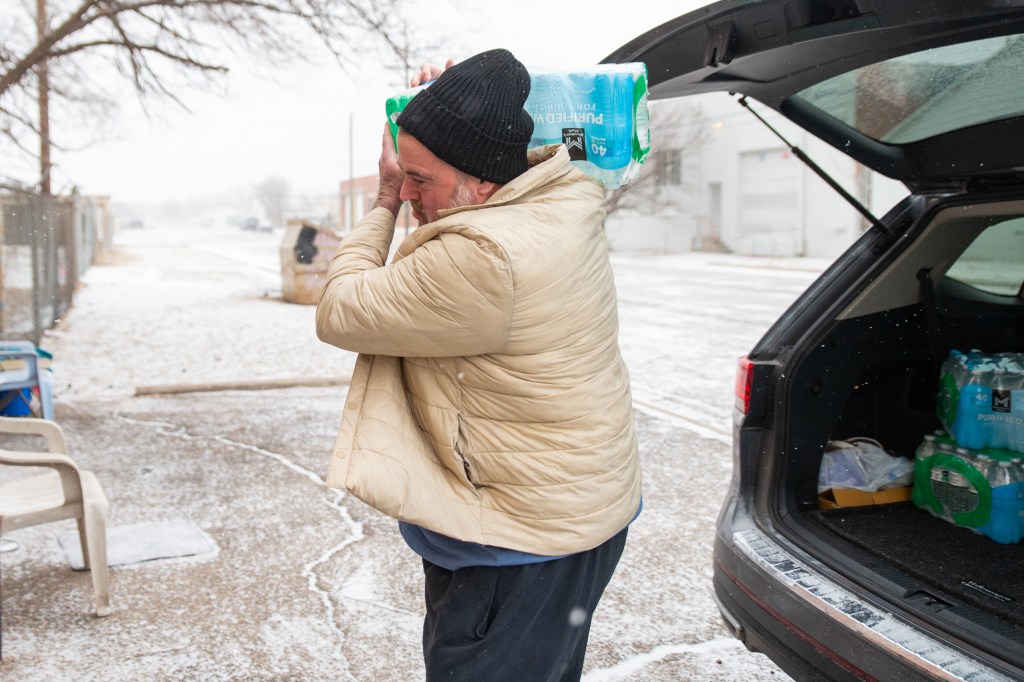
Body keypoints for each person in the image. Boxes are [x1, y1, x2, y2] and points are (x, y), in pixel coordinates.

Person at [315, 48, 642, 681]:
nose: (409, 192)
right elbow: (492, 126)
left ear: (484, 183)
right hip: (568, 518)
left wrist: (383, 199)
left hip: (516, 549)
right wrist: (457, 102)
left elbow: (339, 307)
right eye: (403, 176)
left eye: (420, 180)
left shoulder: (486, 258)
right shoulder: (563, 197)